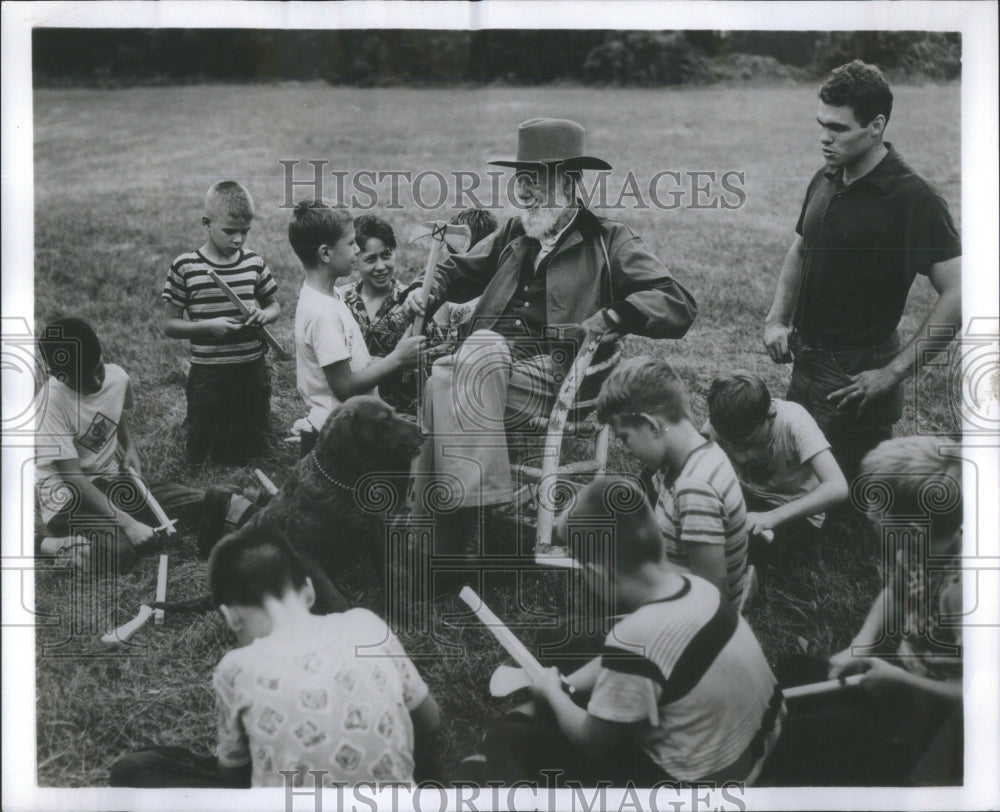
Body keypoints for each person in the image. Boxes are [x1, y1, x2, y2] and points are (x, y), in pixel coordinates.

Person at [408, 118, 697, 556]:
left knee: (468, 360)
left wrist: (614, 314)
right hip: (490, 371)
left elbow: (676, 301)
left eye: (538, 181)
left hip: (562, 373)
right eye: (522, 181)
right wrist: (420, 292)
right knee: (441, 378)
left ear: (570, 182)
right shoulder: (515, 231)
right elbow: (460, 270)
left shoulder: (609, 239)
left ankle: (462, 523)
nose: (526, 193)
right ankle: (451, 534)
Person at [475, 476, 784, 787]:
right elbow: (633, 659)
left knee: (509, 737)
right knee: (571, 643)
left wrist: (553, 694)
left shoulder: (635, 638)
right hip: (760, 744)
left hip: (706, 786)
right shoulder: (700, 588)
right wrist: (568, 684)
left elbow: (591, 743)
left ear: (598, 573)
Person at [110, 522, 442, 787]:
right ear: (309, 590)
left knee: (136, 770)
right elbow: (430, 720)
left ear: (230, 617)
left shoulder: (236, 668)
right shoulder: (366, 625)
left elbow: (233, 776)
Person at [763, 60, 961, 481]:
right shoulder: (828, 174)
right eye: (821, 124)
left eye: (838, 128)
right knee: (787, 478)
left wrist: (891, 373)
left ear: (876, 126)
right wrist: (777, 318)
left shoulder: (913, 198)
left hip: (857, 375)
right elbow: (802, 247)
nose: (824, 137)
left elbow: (959, 291)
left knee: (836, 507)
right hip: (806, 360)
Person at [762, 436, 962, 785]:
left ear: (913, 530)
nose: (869, 515)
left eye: (878, 508)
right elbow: (896, 593)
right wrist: (862, 644)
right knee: (794, 673)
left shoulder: (960, 594)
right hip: (904, 679)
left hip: (935, 722)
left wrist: (901, 684)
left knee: (795, 737)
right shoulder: (917, 548)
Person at [35, 317, 202, 573]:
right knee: (120, 552)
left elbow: (115, 411)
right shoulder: (51, 404)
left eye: (99, 370)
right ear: (60, 376)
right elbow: (74, 480)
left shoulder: (117, 377)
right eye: (84, 380)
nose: (97, 383)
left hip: (110, 483)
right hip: (67, 499)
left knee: (193, 503)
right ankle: (46, 544)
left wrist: (130, 447)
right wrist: (128, 524)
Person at [596, 356, 750, 608]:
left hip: (700, 618)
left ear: (651, 425)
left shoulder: (695, 487)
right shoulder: (691, 454)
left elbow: (712, 590)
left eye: (625, 438)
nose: (624, 450)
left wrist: (635, 565)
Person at [289, 201, 425, 455]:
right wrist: (397, 358)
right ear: (326, 254)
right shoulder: (323, 313)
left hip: (347, 424)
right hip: (338, 435)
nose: (357, 250)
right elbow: (345, 387)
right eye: (352, 244)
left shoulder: (330, 297)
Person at [163, 180, 280, 466]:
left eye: (245, 232)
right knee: (206, 441)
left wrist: (265, 315)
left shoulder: (253, 263)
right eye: (230, 231)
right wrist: (207, 326)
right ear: (206, 223)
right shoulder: (186, 267)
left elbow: (273, 305)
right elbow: (170, 325)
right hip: (209, 371)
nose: (238, 239)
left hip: (251, 366)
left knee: (254, 440)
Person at [704, 371, 848, 560]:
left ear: (769, 415)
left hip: (794, 512)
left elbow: (838, 487)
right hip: (748, 498)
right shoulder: (723, 420)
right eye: (731, 444)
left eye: (748, 443)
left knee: (740, 545)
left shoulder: (793, 420)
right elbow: (694, 462)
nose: (741, 457)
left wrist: (771, 517)